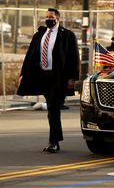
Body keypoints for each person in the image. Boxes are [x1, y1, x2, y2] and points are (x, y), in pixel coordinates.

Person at [17, 8, 79, 153]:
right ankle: (54, 140)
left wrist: (72, 78)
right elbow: (30, 55)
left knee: (53, 108)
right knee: (51, 109)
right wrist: (23, 74)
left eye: (50, 17)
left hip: (56, 78)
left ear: (57, 19)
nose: (47, 19)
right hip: (40, 76)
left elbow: (74, 57)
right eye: (46, 17)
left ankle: (54, 141)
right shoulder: (40, 34)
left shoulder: (67, 35)